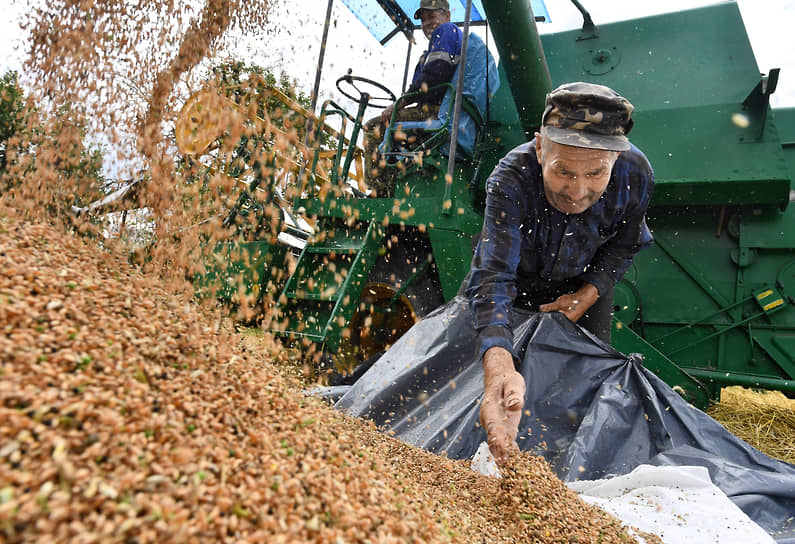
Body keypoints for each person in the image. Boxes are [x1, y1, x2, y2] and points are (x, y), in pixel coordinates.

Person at [464, 82, 655, 464]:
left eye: (596, 174)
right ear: (539, 148)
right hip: (515, 278)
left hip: (580, 283)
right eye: (563, 171)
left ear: (616, 160)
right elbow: (494, 274)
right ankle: (474, 448)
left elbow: (626, 245)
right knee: (481, 368)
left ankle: (565, 458)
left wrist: (588, 293)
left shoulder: (637, 175)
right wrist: (499, 366)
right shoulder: (511, 177)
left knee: (584, 372)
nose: (577, 191)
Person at [363, 0, 462, 196]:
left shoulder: (447, 31)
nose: (427, 24)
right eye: (423, 20)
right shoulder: (435, 49)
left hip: (436, 113)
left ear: (447, 15)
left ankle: (379, 190)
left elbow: (434, 76)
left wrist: (401, 103)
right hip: (440, 111)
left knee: (373, 127)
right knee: (392, 131)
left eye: (432, 16)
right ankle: (395, 184)